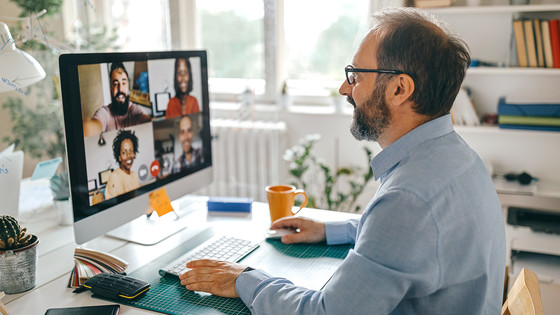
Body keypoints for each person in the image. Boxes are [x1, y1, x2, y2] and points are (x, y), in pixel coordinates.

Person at [179, 8, 506, 315]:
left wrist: (243, 279)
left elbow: (325, 312)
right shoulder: (457, 157)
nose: (343, 88)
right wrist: (330, 230)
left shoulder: (408, 199)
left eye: (356, 76)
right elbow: (409, 240)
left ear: (399, 89)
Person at [83, 62, 151, 136]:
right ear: (110, 89)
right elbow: (94, 126)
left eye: (124, 83)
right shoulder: (104, 113)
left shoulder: (135, 110)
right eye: (115, 84)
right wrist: (87, 127)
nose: (120, 89)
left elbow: (145, 120)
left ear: (128, 87)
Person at [105, 129, 140, 199]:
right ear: (119, 157)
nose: (129, 155)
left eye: (131, 151)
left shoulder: (133, 175)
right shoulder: (115, 177)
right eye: (124, 152)